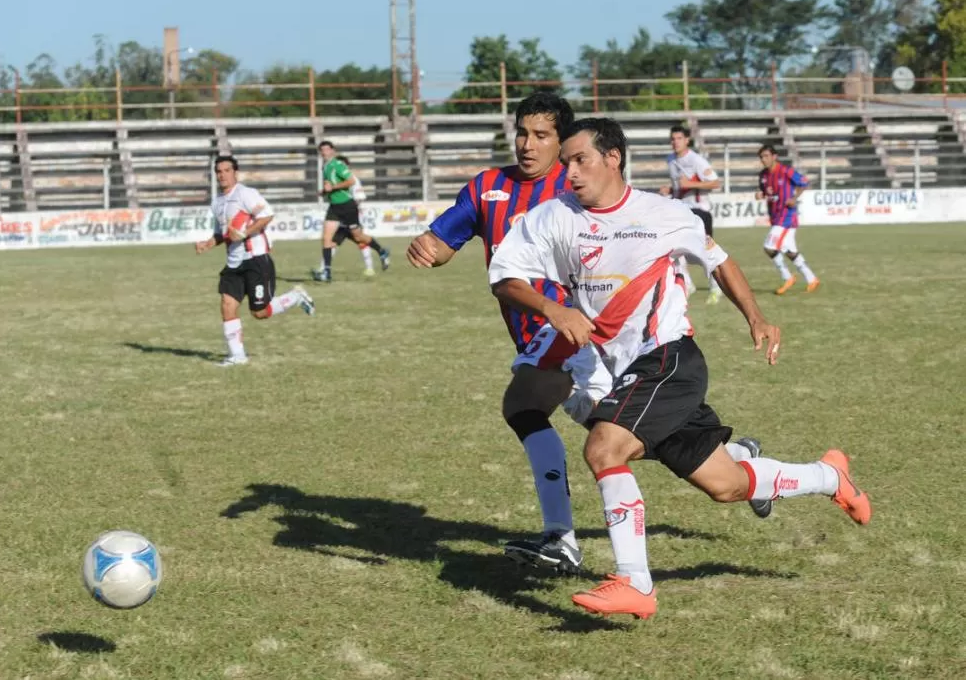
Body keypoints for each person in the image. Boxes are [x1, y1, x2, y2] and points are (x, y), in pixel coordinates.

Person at [489, 118, 871, 620]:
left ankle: (635, 582)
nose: (571, 172)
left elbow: (720, 262)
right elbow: (505, 278)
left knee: (604, 447)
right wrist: (551, 307)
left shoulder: (665, 213)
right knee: (727, 485)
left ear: (613, 158)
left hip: (668, 358)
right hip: (623, 367)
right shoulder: (552, 216)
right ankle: (829, 477)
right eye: (567, 164)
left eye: (580, 160)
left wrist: (756, 317)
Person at [406, 92, 612, 575]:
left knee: (523, 407)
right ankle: (745, 463)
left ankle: (561, 539)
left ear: (561, 141)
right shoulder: (487, 188)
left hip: (580, 331)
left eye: (541, 135)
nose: (527, 143)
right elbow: (443, 245)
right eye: (521, 132)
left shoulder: (577, 185)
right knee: (623, 434)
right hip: (537, 338)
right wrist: (426, 246)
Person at [196, 155, 315, 367]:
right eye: (219, 171)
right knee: (227, 305)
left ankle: (296, 297)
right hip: (233, 263)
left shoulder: (246, 194)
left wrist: (245, 233)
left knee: (260, 312)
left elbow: (267, 215)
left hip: (256, 259)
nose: (222, 175)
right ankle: (237, 356)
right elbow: (222, 234)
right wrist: (207, 244)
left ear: (235, 173)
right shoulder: (217, 203)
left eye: (226, 170)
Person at [659, 124, 724, 304]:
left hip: (700, 210)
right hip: (681, 209)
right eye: (673, 139)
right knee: (674, 246)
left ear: (687, 140)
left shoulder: (696, 160)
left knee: (706, 250)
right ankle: (687, 284)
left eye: (679, 138)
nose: (675, 142)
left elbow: (715, 183)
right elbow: (681, 185)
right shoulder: (670, 159)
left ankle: (715, 287)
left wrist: (691, 185)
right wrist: (671, 189)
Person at [314, 141, 390, 282]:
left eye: (326, 149)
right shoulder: (325, 167)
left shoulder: (338, 164)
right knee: (326, 239)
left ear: (332, 151)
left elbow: (351, 181)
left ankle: (381, 250)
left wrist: (334, 187)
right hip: (334, 207)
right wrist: (324, 192)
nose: (324, 152)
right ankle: (327, 273)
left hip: (347, 206)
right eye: (322, 150)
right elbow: (330, 186)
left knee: (359, 237)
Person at [756, 144, 820, 295]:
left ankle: (787, 277)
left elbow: (804, 182)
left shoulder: (785, 171)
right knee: (790, 251)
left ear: (774, 156)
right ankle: (812, 279)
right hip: (775, 215)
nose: (763, 160)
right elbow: (765, 192)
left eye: (766, 156)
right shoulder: (763, 175)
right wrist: (760, 195)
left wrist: (794, 197)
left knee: (769, 247)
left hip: (786, 216)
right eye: (761, 157)